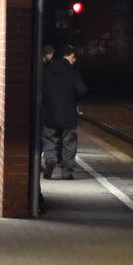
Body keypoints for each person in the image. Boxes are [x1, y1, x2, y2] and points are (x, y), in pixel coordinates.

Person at [41, 44, 88, 180]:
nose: (75, 60)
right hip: (69, 115)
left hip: (50, 113)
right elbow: (82, 90)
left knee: (49, 139)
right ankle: (67, 171)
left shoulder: (47, 71)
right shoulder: (73, 72)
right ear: (66, 56)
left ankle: (50, 159)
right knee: (69, 143)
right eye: (73, 57)